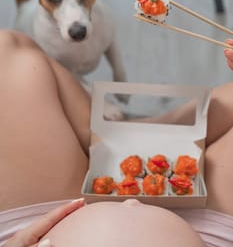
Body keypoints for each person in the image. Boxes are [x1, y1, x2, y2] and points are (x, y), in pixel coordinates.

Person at [0, 30, 233, 247]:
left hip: (40, 224)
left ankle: (120, 135)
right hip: (215, 233)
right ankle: (135, 135)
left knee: (8, 49)